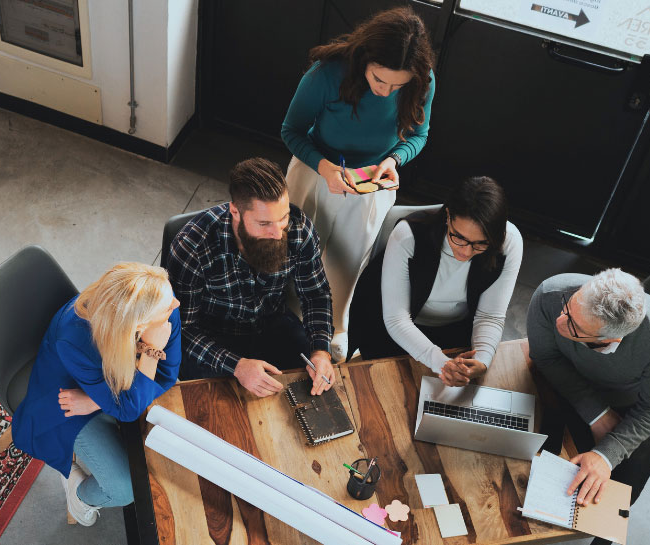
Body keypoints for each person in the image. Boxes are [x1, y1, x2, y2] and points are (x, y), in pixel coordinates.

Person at [280, 6, 436, 360]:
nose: (386, 91)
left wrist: (395, 159)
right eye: (379, 80)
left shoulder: (422, 81)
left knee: (349, 263)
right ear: (365, 58)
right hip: (315, 168)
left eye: (398, 85)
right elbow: (290, 130)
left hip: (372, 182)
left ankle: (332, 332)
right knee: (294, 253)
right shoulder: (327, 72)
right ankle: (284, 322)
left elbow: (420, 135)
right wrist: (324, 167)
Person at [10, 263, 182, 527]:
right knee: (125, 489)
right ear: (138, 322)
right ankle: (80, 496)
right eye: (168, 306)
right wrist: (150, 352)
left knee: (176, 448)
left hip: (92, 397)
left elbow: (166, 375)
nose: (177, 304)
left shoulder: (162, 306)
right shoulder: (75, 340)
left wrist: (94, 401)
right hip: (65, 405)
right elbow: (128, 408)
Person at [526, 268, 650, 544]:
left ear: (611, 339)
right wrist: (596, 414)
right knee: (530, 450)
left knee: (622, 485)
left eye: (575, 327)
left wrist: (606, 455)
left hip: (628, 401)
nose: (560, 321)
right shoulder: (551, 294)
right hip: (563, 376)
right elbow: (545, 357)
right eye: (568, 308)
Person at [167, 157, 335, 397]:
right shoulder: (192, 246)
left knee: (313, 387)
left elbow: (315, 294)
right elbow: (181, 328)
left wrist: (321, 351)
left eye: (283, 218)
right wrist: (236, 365)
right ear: (235, 211)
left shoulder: (299, 229)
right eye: (264, 223)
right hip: (211, 338)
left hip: (273, 323)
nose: (278, 234)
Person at [350, 176, 521, 386]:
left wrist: (482, 359)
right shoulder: (408, 236)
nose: (466, 252)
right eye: (458, 237)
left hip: (456, 329)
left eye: (480, 244)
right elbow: (396, 319)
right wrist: (441, 362)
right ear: (448, 216)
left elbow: (490, 316)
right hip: (390, 329)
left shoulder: (509, 242)